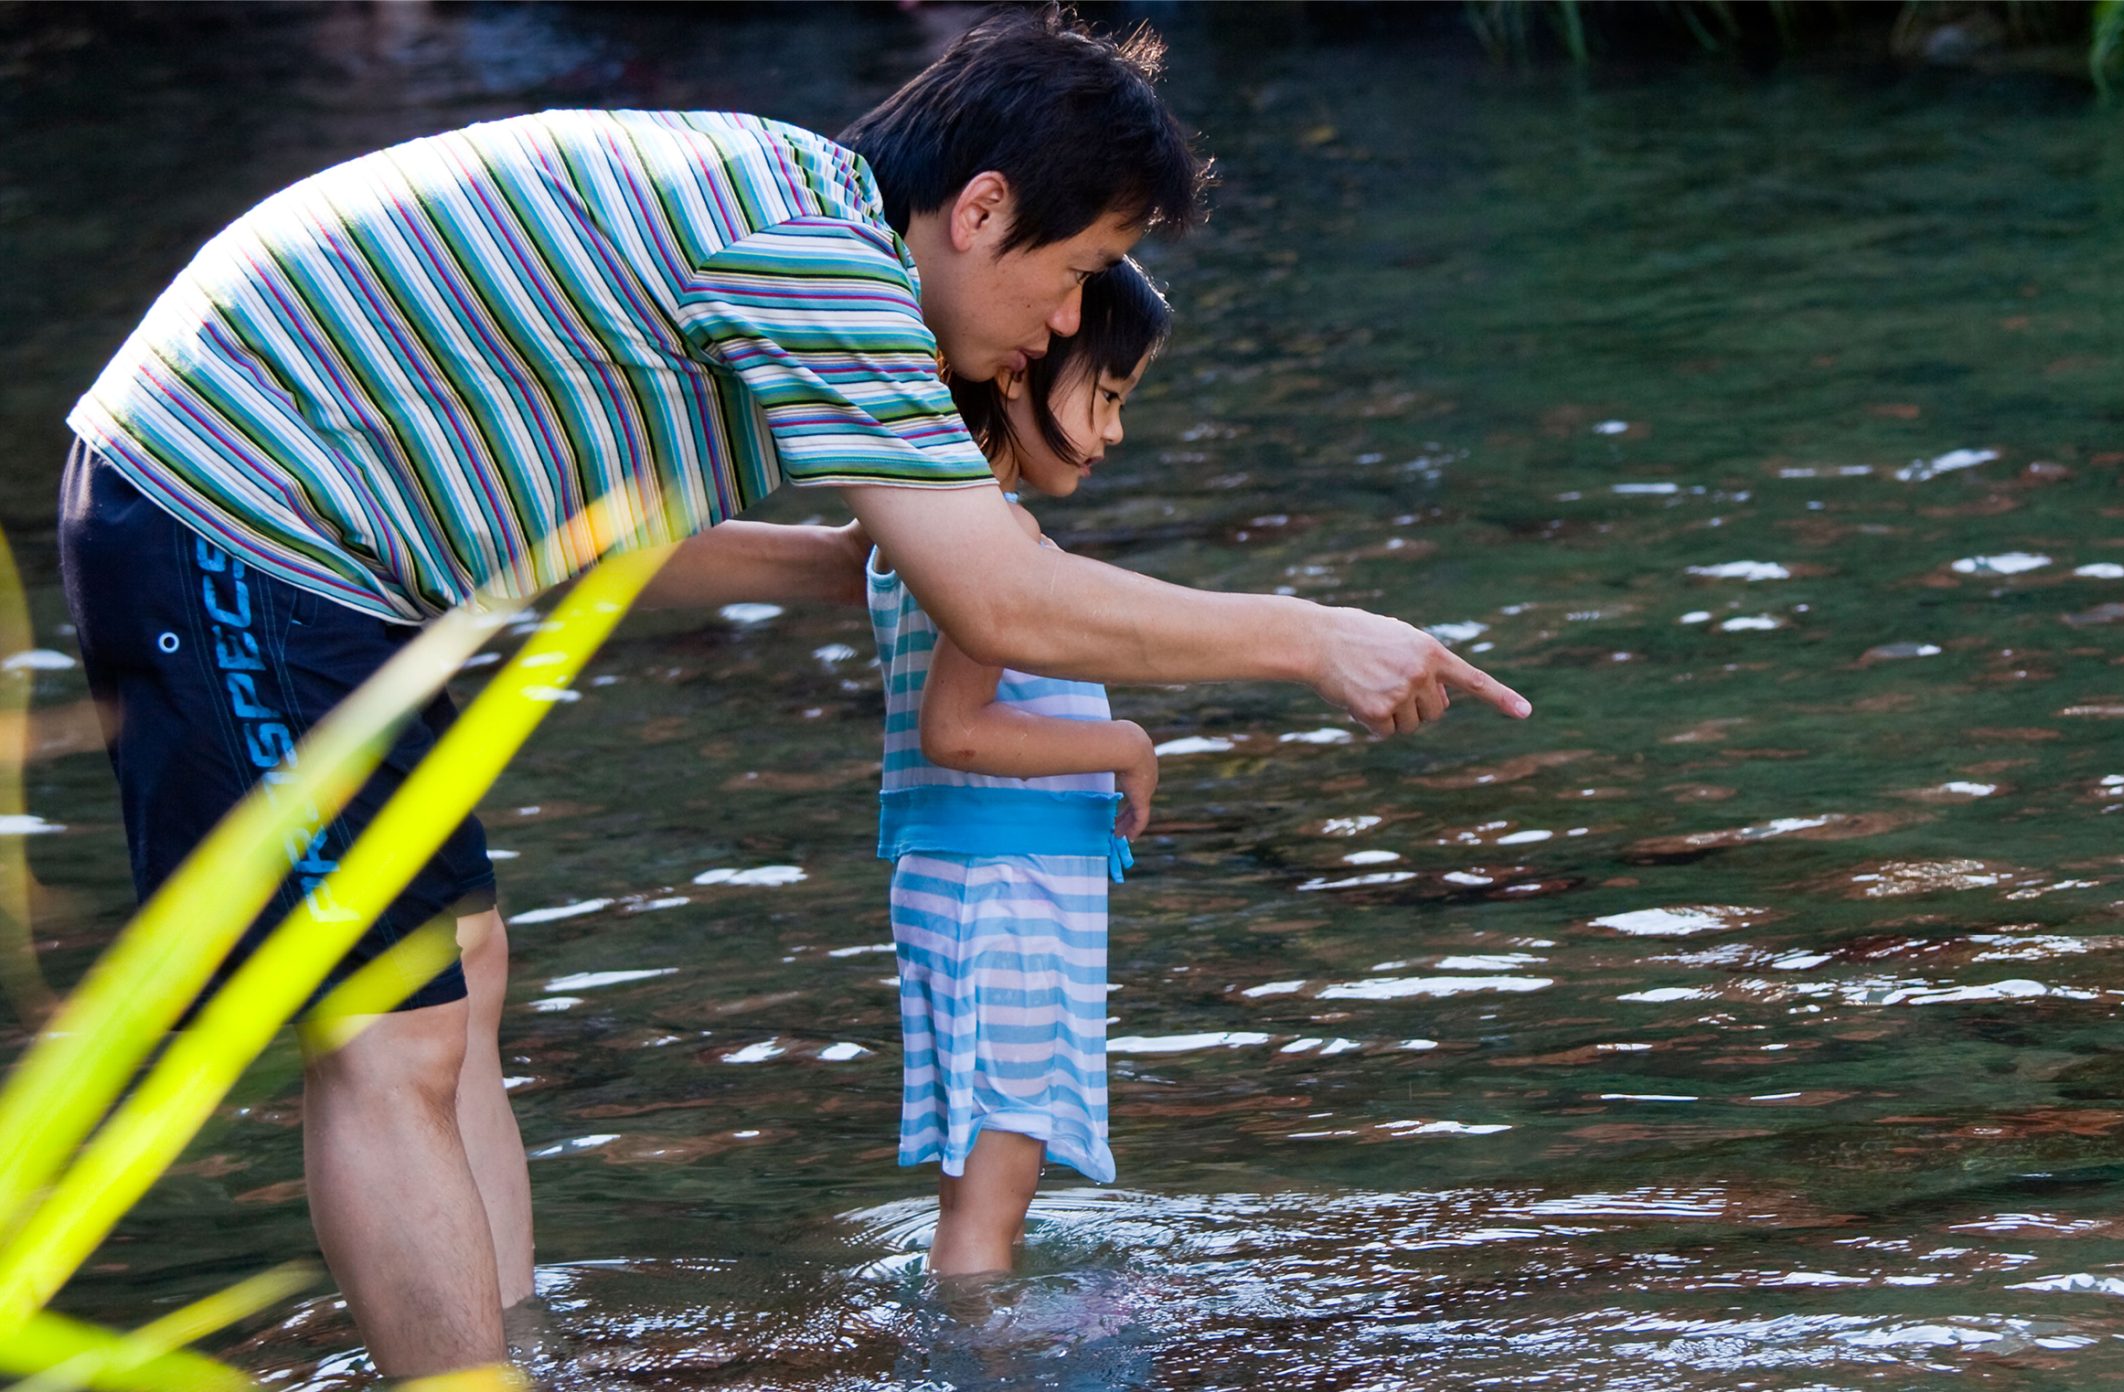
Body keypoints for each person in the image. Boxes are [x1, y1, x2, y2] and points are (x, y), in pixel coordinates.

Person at [56, 7, 1525, 1377]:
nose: (1068, 322)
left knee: (462, 973)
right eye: (1077, 272)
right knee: (388, 1030)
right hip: (230, 516)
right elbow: (1005, 605)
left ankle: (512, 1352)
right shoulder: (817, 264)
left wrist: (845, 567)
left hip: (334, 550)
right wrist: (1308, 636)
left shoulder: (801, 226)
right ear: (983, 211)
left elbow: (601, 546)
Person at [872, 258, 1168, 1278]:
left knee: (987, 1182)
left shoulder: (920, 522)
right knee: (992, 1197)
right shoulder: (991, 542)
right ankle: (981, 1347)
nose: (1113, 431)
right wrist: (1124, 744)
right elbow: (956, 730)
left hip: (979, 884)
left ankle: (983, 1332)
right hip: (1003, 893)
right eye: (1108, 395)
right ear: (1018, 369)